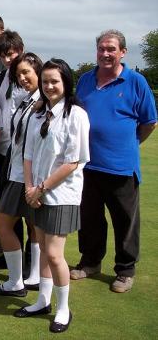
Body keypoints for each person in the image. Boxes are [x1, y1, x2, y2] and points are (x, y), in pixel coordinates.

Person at [70, 30, 157, 293]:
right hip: (87, 165)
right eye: (101, 49)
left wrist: (127, 145)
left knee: (125, 221)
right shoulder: (85, 80)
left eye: (111, 49)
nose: (105, 54)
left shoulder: (136, 81)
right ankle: (91, 262)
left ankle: (125, 270)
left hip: (121, 166)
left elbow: (149, 122)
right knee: (89, 218)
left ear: (122, 52)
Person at [14, 59, 90, 334]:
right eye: (45, 81)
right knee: (44, 251)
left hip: (61, 195)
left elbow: (72, 162)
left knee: (55, 254)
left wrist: (41, 188)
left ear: (66, 82)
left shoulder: (76, 115)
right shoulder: (37, 114)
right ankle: (43, 301)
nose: (49, 86)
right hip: (37, 192)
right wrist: (29, 189)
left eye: (54, 81)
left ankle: (63, 308)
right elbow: (29, 154)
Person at [0, 53, 43, 297]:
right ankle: (25, 278)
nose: (22, 78)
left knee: (4, 223)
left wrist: (34, 182)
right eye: (19, 74)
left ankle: (21, 280)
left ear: (38, 72)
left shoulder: (43, 102)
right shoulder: (28, 100)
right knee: (28, 225)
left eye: (27, 73)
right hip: (16, 171)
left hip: (28, 176)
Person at [0, 30, 28, 264]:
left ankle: (32, 262)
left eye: (11, 54)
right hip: (4, 152)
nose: (7, 59)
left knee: (29, 210)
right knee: (7, 206)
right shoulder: (0, 77)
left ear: (20, 51)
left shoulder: (30, 77)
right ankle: (12, 255)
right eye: (2, 55)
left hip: (25, 154)